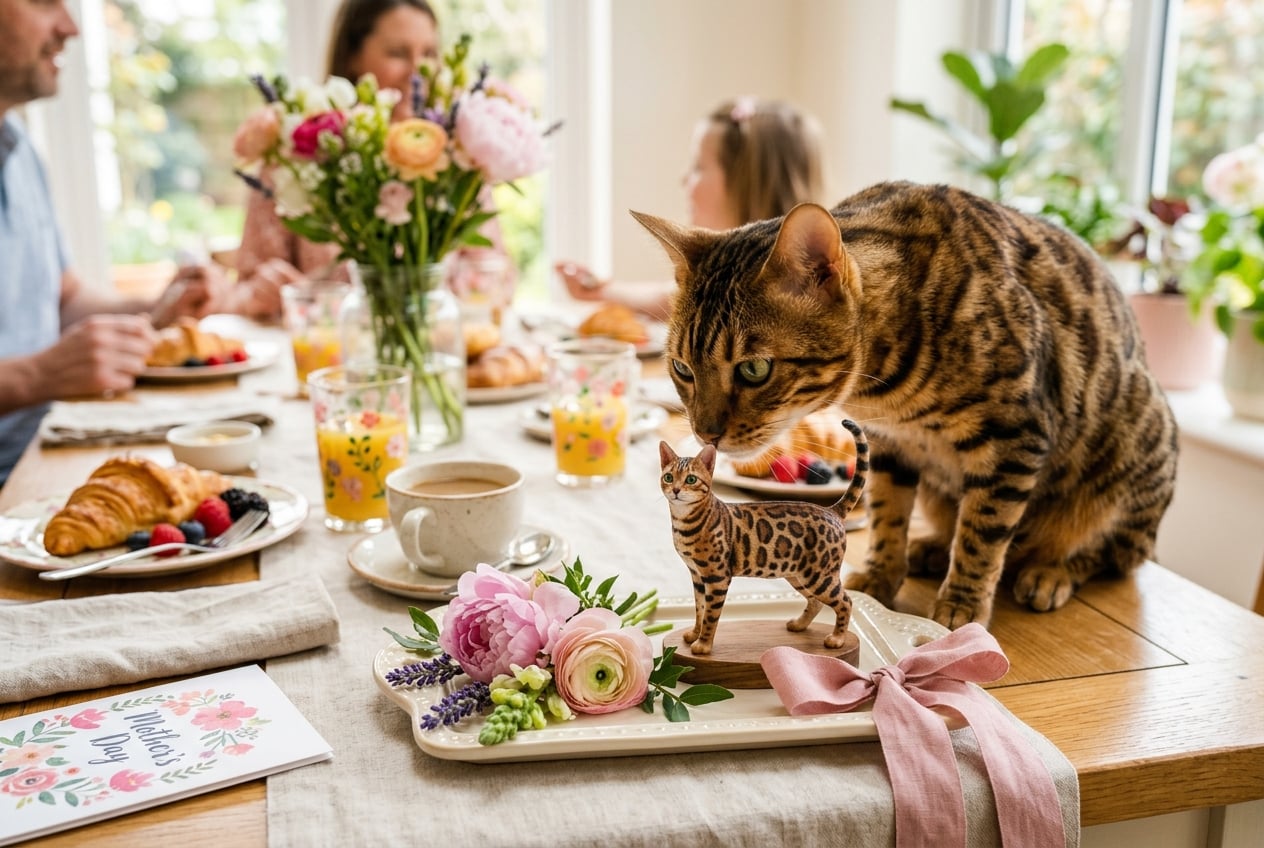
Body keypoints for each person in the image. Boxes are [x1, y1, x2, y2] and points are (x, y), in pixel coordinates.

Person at [0, 0, 225, 486]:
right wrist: (35, 377)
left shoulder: (17, 148)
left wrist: (153, 310)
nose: (70, 27)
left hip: (48, 454)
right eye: (43, 3)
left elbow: (64, 299)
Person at [225, 0, 440, 321]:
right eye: (397, 53)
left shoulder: (450, 159)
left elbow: (496, 272)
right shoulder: (294, 157)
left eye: (429, 54)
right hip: (325, 360)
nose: (418, 71)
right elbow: (241, 294)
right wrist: (261, 292)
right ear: (353, 57)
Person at [556, 96, 826, 318]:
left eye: (698, 166)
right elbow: (671, 298)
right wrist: (605, 291)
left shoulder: (800, 288)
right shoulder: (732, 276)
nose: (684, 179)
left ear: (743, 183)